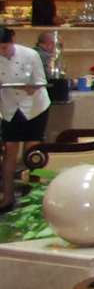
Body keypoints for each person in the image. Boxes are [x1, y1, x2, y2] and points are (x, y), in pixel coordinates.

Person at [0, 24, 51, 211]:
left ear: (12, 41)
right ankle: (7, 196)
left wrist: (31, 87)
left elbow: (41, 81)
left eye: (4, 47)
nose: (2, 52)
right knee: (10, 150)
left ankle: (32, 197)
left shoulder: (30, 55)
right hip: (10, 107)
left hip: (35, 106)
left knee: (32, 151)